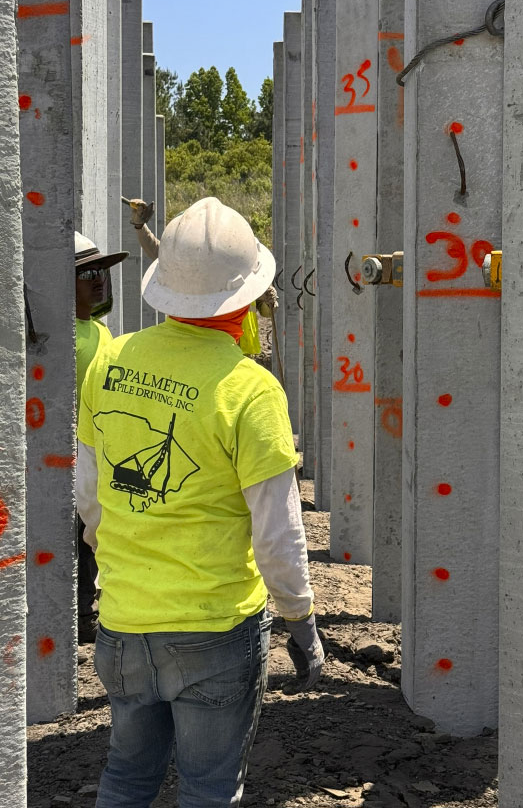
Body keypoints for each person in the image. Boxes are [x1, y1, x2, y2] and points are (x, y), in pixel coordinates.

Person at [76, 197, 323, 808]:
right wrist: (301, 622)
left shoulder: (108, 362)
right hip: (215, 631)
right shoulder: (250, 389)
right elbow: (277, 536)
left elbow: (88, 495)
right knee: (210, 787)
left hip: (124, 626)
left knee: (127, 777)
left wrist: (127, 565)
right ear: (248, 299)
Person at [124, 196, 278, 357]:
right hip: (207, 348)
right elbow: (158, 251)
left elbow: (267, 312)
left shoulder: (238, 266)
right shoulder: (199, 262)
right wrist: (140, 227)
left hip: (238, 350)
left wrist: (267, 299)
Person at [75, 232, 129, 644]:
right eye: (88, 273)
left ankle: (89, 608)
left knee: (91, 538)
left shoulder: (102, 333)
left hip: (95, 455)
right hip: (62, 459)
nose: (99, 280)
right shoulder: (59, 338)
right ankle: (78, 614)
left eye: (103, 272)